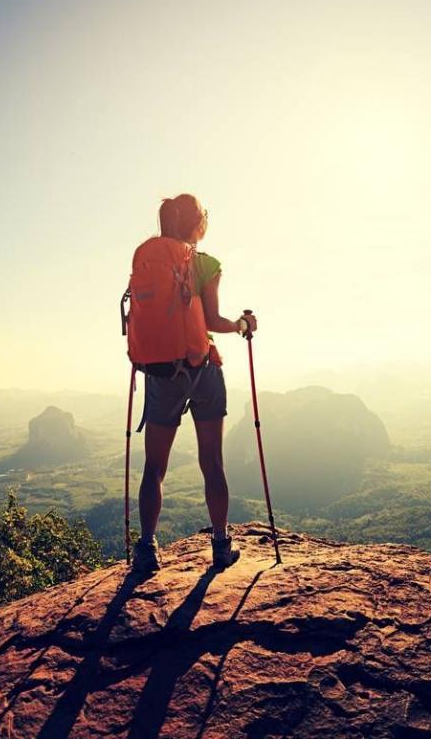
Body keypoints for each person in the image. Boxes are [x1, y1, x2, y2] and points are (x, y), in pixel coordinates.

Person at [131, 194, 256, 575]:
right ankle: (220, 544)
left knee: (155, 466)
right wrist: (242, 325)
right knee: (212, 462)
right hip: (203, 370)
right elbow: (212, 320)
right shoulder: (205, 263)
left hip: (161, 373)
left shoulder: (148, 258)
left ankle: (147, 549)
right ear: (197, 223)